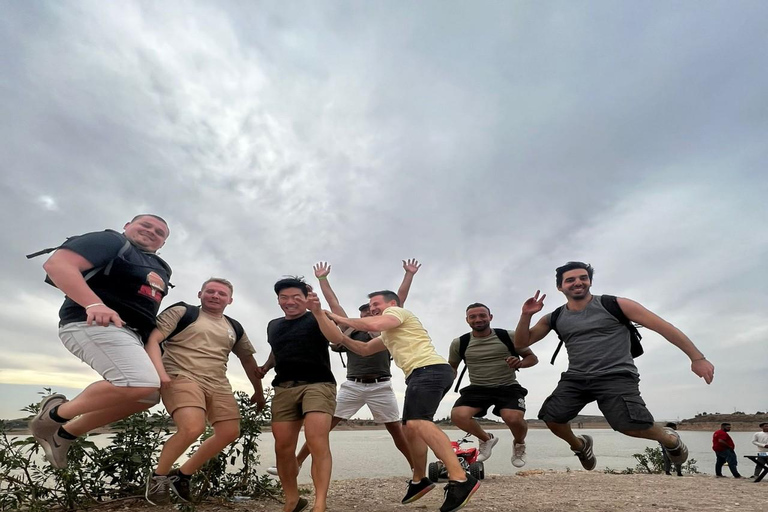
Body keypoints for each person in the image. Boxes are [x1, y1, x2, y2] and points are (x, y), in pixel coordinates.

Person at [514, 261, 715, 471]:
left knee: (630, 426)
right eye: (570, 280)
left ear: (590, 281)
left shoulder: (616, 304)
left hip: (617, 375)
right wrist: (526, 315)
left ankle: (669, 438)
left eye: (583, 277)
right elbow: (521, 343)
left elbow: (663, 327)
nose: (578, 282)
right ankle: (581, 446)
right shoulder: (555, 317)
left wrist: (697, 358)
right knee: (552, 418)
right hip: (576, 377)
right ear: (560, 287)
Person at [312, 290, 480, 512]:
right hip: (419, 375)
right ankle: (419, 479)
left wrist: (339, 318)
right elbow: (363, 349)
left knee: (419, 422)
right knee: (409, 428)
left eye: (375, 304)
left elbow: (371, 325)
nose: (372, 308)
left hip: (429, 370)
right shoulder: (389, 334)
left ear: (391, 303)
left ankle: (461, 478)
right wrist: (340, 336)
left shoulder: (397, 312)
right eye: (370, 306)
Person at [29, 214, 172, 469]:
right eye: (145, 225)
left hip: (133, 335)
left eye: (160, 232)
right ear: (127, 226)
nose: (152, 232)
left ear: (163, 243)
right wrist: (94, 303)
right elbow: (58, 265)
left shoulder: (160, 267)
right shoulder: (111, 241)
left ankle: (65, 435)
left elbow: (146, 315)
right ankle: (51, 417)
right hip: (92, 323)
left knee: (148, 396)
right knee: (139, 383)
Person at [267, 260, 421, 476]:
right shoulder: (349, 330)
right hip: (353, 385)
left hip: (381, 385)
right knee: (323, 427)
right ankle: (298, 461)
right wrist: (322, 279)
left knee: (396, 430)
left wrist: (409, 275)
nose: (369, 313)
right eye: (364, 312)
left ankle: (417, 470)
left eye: (372, 310)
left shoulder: (388, 330)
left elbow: (399, 300)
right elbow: (333, 302)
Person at [143, 278, 266, 505]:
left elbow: (248, 361)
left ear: (230, 300)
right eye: (210, 291)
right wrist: (160, 373)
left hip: (218, 382)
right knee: (192, 427)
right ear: (200, 293)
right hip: (181, 375)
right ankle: (158, 477)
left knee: (229, 431)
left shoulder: (234, 327)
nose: (215, 296)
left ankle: (182, 475)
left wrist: (258, 392)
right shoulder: (183, 312)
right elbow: (153, 338)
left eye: (221, 293)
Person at [260, 277, 337, 512]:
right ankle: (293, 500)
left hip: (318, 384)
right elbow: (278, 349)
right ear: (278, 300)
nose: (289, 301)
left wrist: (319, 312)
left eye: (296, 297)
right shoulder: (273, 325)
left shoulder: (317, 316)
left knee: (316, 441)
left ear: (306, 298)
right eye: (284, 297)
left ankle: (320, 504)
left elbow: (335, 337)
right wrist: (265, 367)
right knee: (282, 448)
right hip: (283, 387)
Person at [448, 303, 538, 467]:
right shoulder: (460, 343)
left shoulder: (509, 336)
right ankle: (486, 439)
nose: (478, 319)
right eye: (473, 316)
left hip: (507, 386)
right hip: (477, 387)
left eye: (482, 315)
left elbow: (532, 358)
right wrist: (440, 384)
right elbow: (452, 368)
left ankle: (519, 444)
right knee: (458, 415)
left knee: (513, 418)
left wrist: (520, 363)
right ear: (467, 320)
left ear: (490, 317)